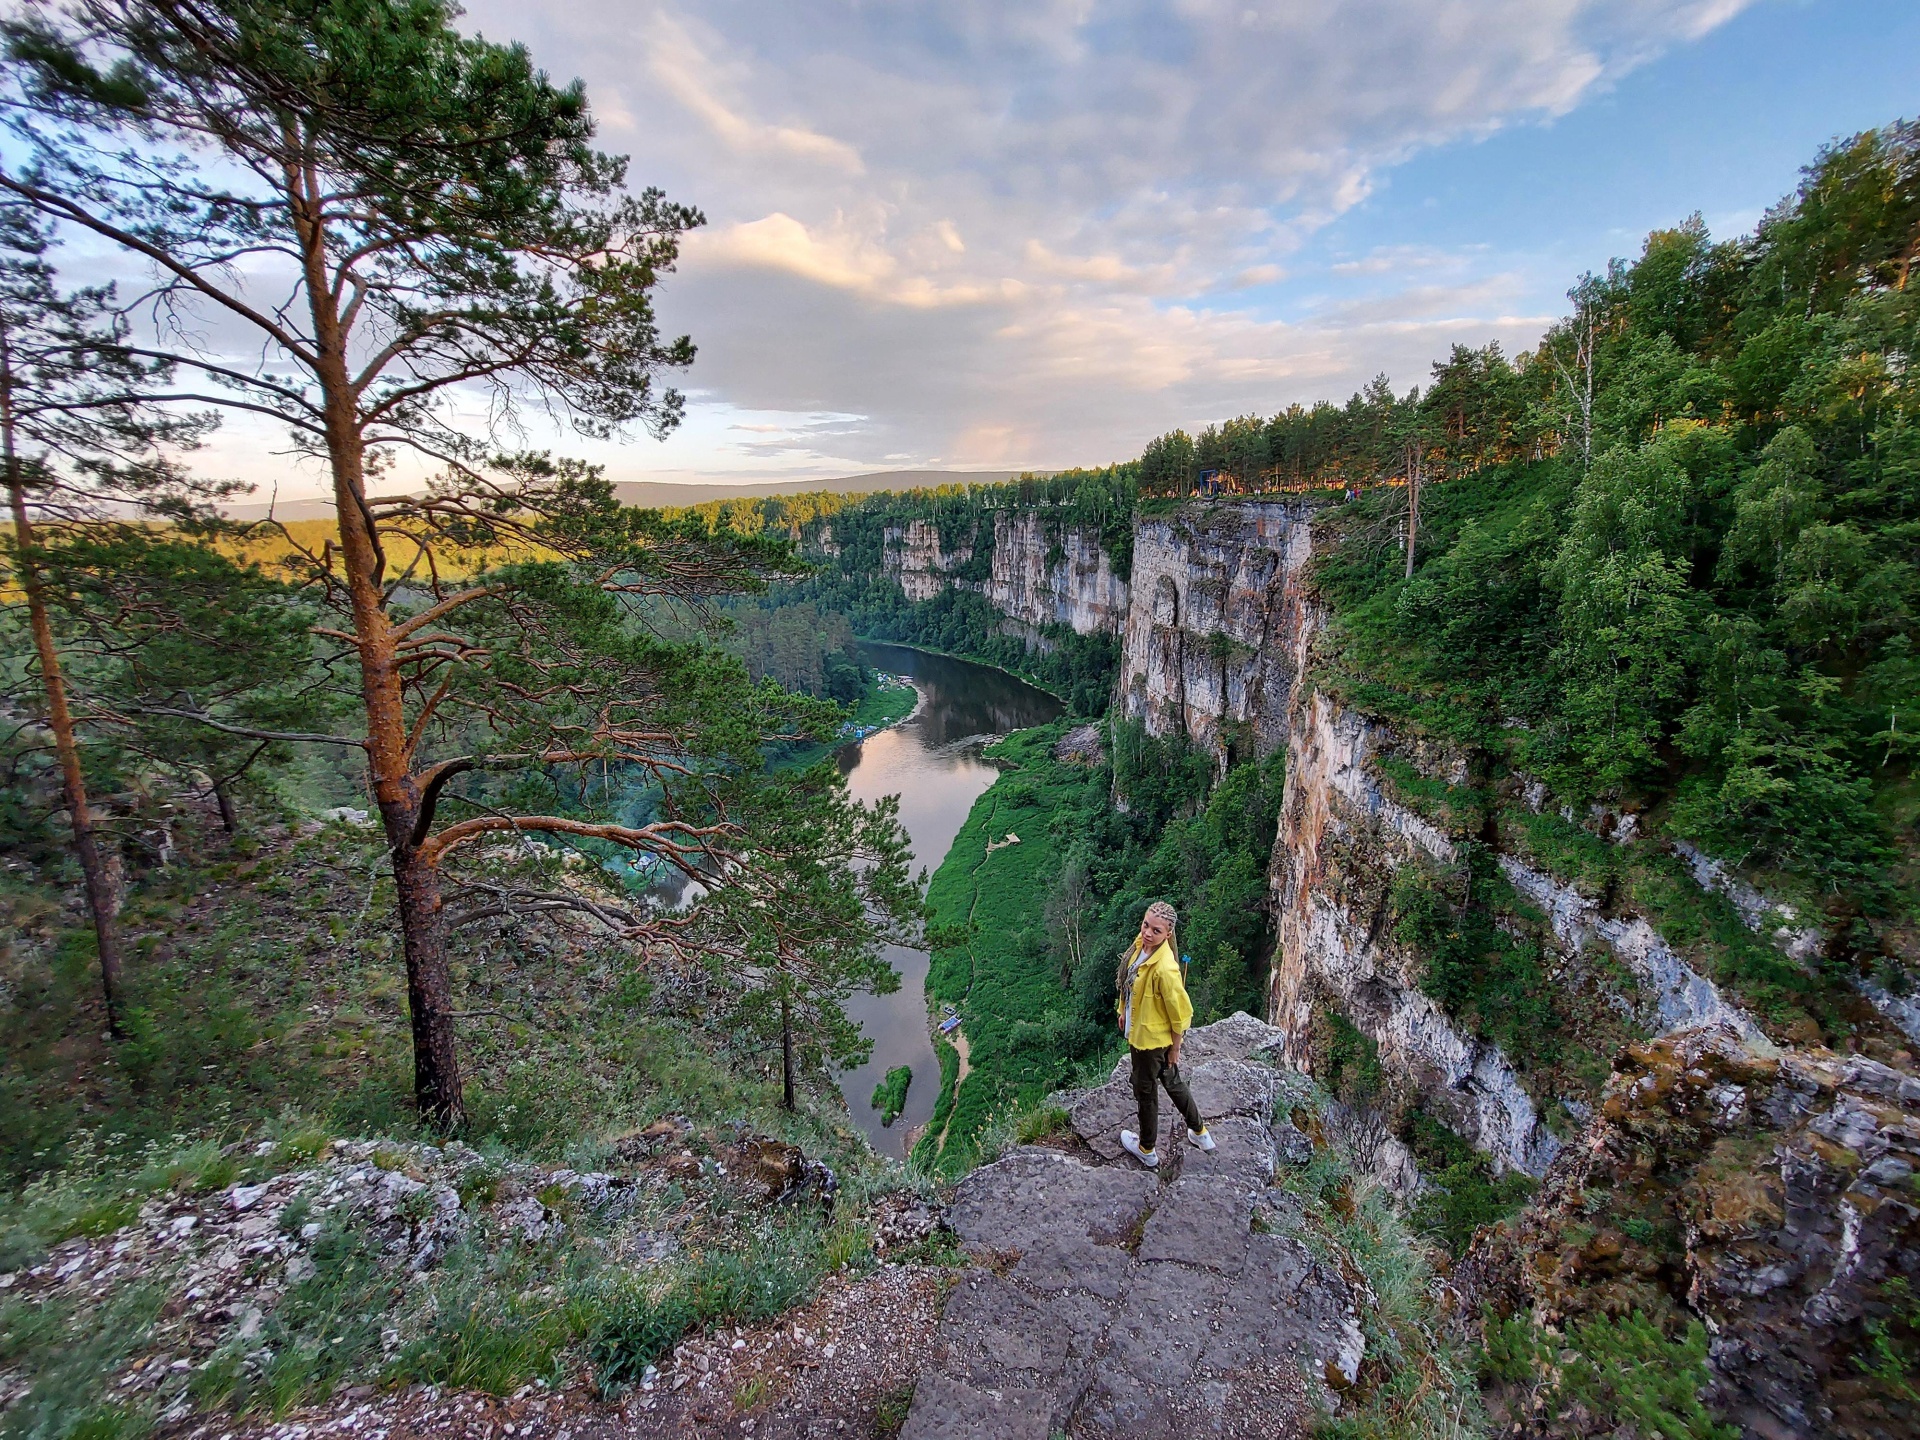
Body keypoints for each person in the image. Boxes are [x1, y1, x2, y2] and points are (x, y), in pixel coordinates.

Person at [1115, 900, 1214, 1169]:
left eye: (1156, 930)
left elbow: (1181, 1013)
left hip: (1149, 1042)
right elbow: (1129, 983)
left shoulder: (1165, 970)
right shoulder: (1141, 945)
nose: (1147, 933)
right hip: (1146, 1032)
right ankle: (1201, 1134)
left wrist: (1175, 1048)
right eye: (1146, 925)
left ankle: (1146, 1149)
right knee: (1173, 1083)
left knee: (1145, 1092)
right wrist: (1123, 1009)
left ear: (1168, 934)